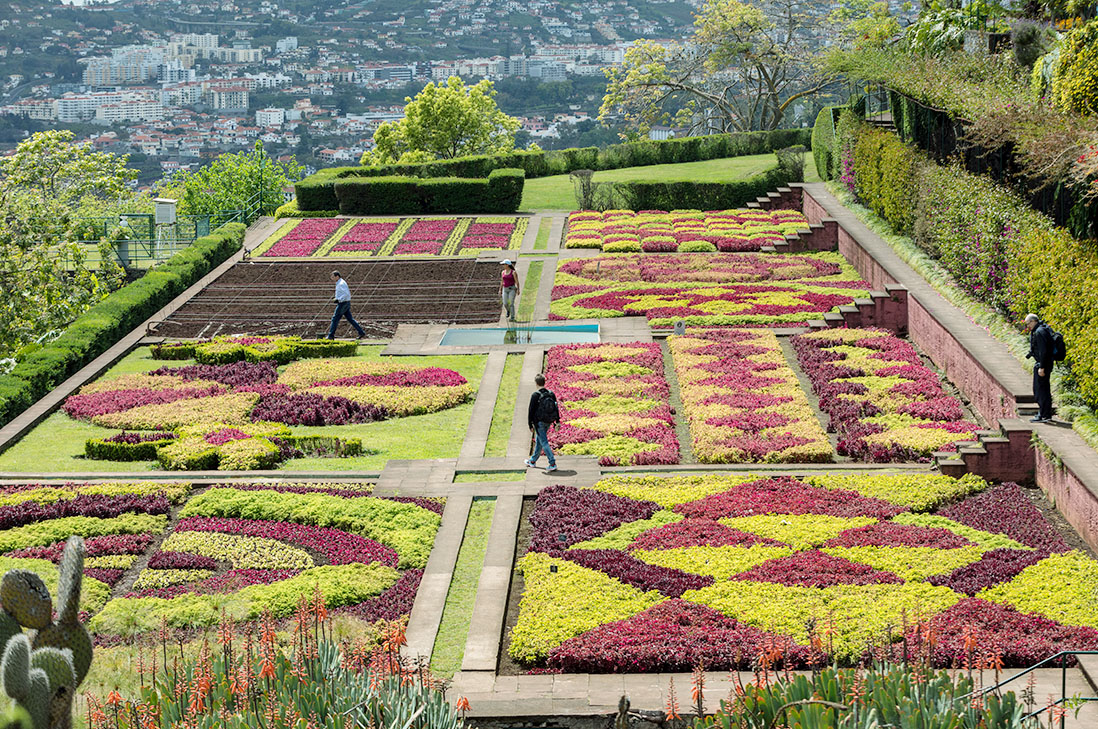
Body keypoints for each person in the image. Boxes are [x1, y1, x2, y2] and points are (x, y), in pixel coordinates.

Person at [525, 373, 559, 472]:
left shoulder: (535, 395)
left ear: (536, 383)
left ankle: (552, 463)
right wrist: (557, 421)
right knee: (539, 440)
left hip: (539, 422)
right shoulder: (551, 394)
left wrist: (529, 424)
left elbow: (531, 410)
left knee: (543, 442)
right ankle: (532, 461)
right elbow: (556, 408)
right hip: (548, 421)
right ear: (544, 382)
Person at [1025, 313, 1054, 422]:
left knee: (1040, 390)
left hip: (1043, 365)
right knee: (1043, 389)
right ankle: (1045, 414)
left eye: (1028, 324)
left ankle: (1043, 414)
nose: (1028, 327)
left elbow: (1043, 351)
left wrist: (1041, 367)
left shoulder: (1039, 332)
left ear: (1033, 321)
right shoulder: (1042, 330)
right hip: (1045, 364)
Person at [327, 270, 366, 340]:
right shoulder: (340, 282)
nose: (331, 278)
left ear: (337, 276)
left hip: (343, 303)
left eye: (333, 277)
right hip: (345, 303)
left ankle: (330, 336)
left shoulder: (341, 284)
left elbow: (346, 294)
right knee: (350, 319)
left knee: (335, 319)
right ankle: (361, 332)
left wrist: (338, 299)